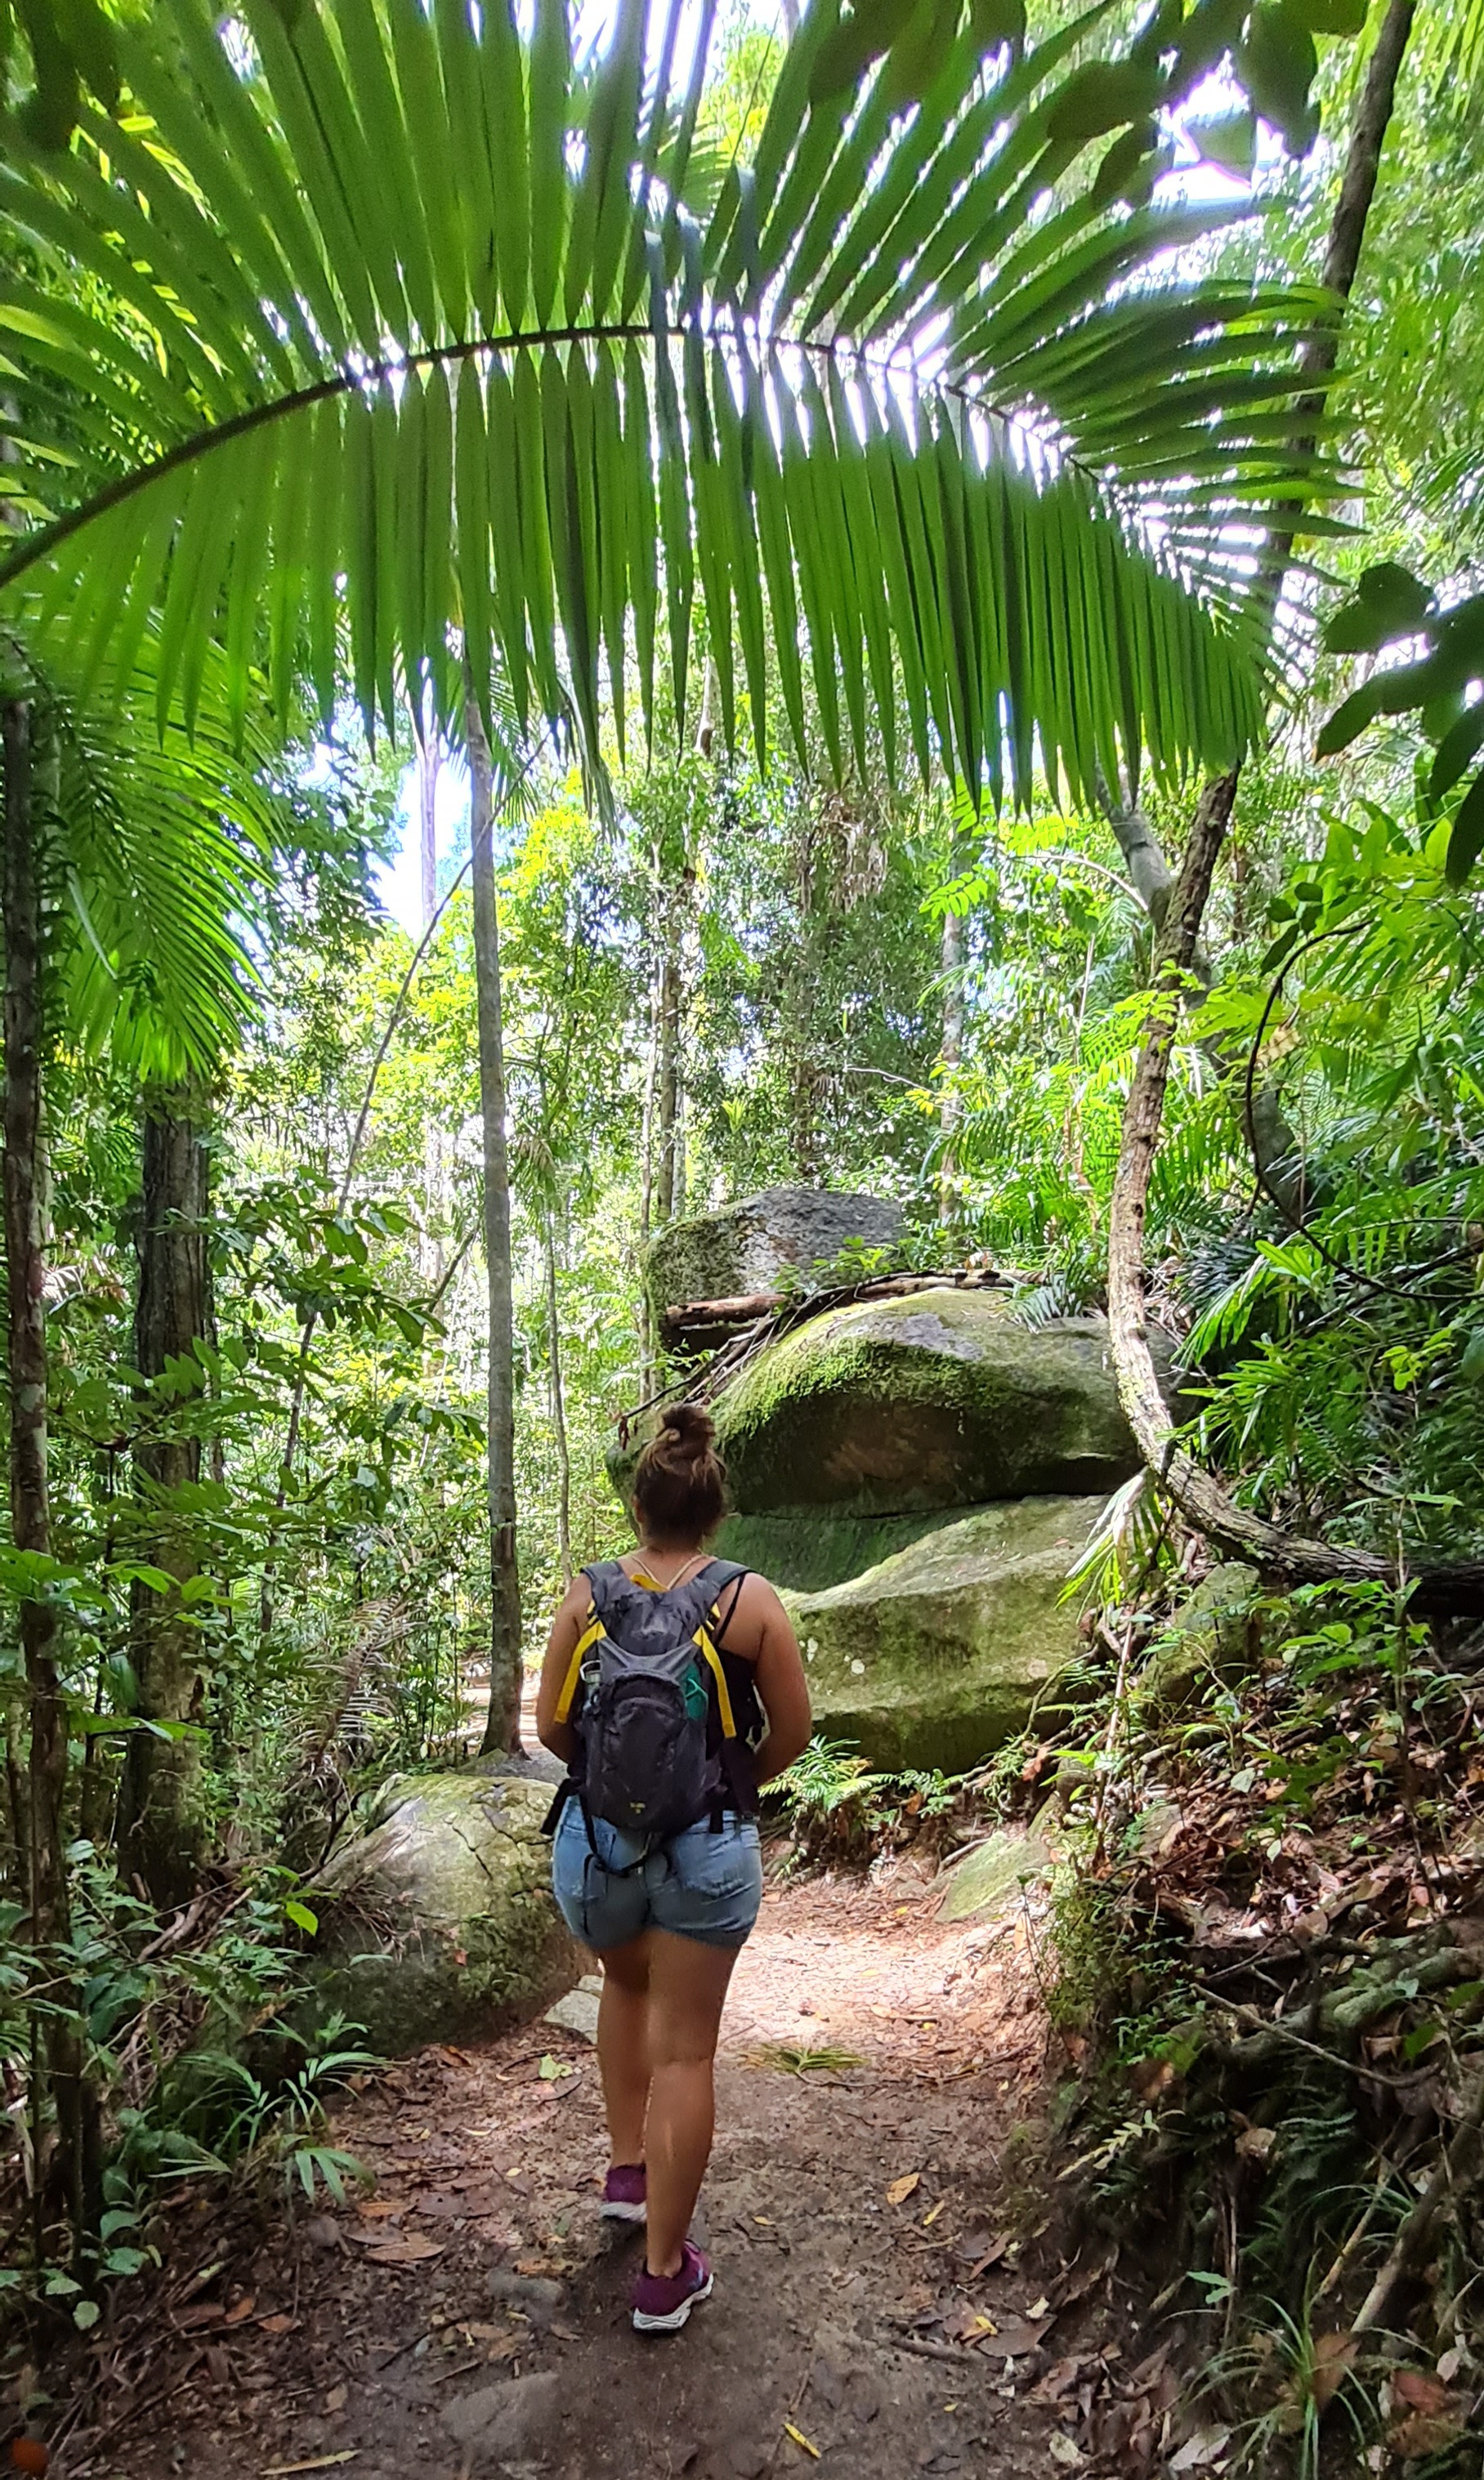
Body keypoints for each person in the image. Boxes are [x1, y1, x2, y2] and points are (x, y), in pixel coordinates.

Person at [537, 1401, 811, 2335]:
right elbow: (794, 1732)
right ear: (713, 1513)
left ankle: (626, 2174)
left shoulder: (588, 1593)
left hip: (598, 1847)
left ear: (639, 1509)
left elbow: (550, 1730)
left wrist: (617, 1788)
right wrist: (729, 1779)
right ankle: (662, 2273)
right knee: (686, 2047)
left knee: (621, 1982)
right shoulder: (750, 1597)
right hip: (707, 1847)